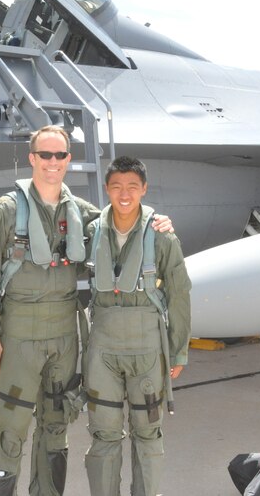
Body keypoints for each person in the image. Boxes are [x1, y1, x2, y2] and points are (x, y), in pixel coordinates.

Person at [0, 127, 171, 496]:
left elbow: (123, 221)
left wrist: (156, 223)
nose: (52, 162)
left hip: (65, 334)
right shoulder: (7, 211)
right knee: (10, 428)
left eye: (59, 155)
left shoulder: (81, 213)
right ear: (32, 158)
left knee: (56, 427)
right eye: (44, 155)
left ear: (68, 160)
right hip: (20, 335)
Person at [83, 156, 191, 496]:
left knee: (148, 434)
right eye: (116, 186)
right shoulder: (92, 232)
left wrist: (179, 350)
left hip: (147, 350)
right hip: (102, 352)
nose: (124, 194)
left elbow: (179, 295)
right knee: (103, 435)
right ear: (106, 190)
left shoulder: (162, 237)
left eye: (132, 186)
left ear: (144, 189)